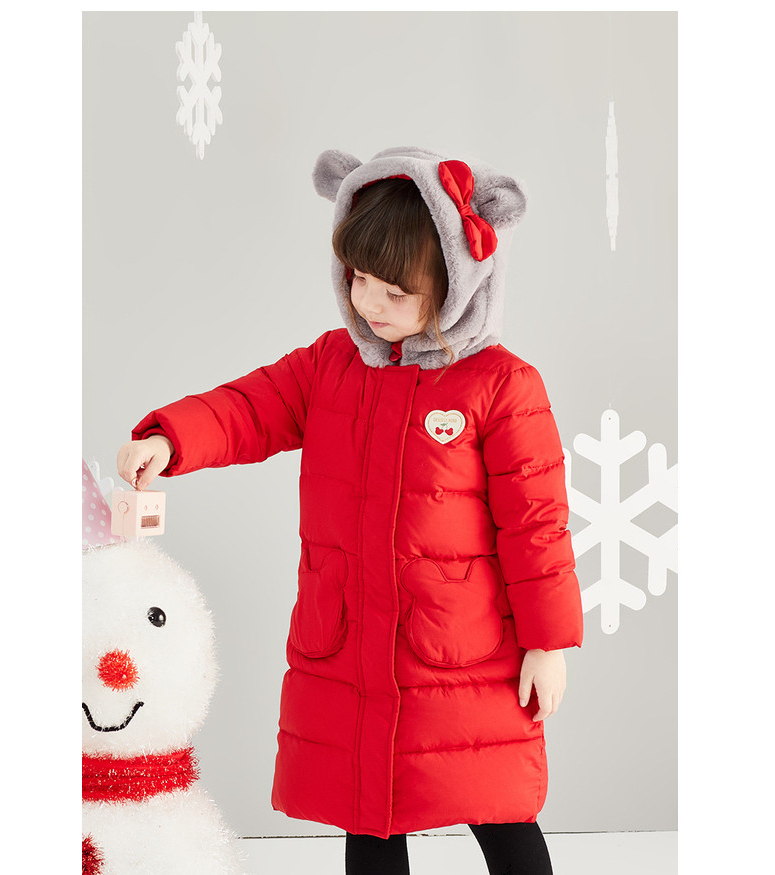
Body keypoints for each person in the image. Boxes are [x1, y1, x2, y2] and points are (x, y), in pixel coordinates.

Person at [117, 146, 584, 875]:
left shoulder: (500, 385)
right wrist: (170, 439)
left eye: (395, 291)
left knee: (496, 801)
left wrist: (547, 644)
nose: (370, 303)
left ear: (454, 283)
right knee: (368, 810)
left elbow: (536, 525)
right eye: (359, 279)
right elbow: (249, 408)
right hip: (351, 642)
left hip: (461, 652)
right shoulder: (331, 366)